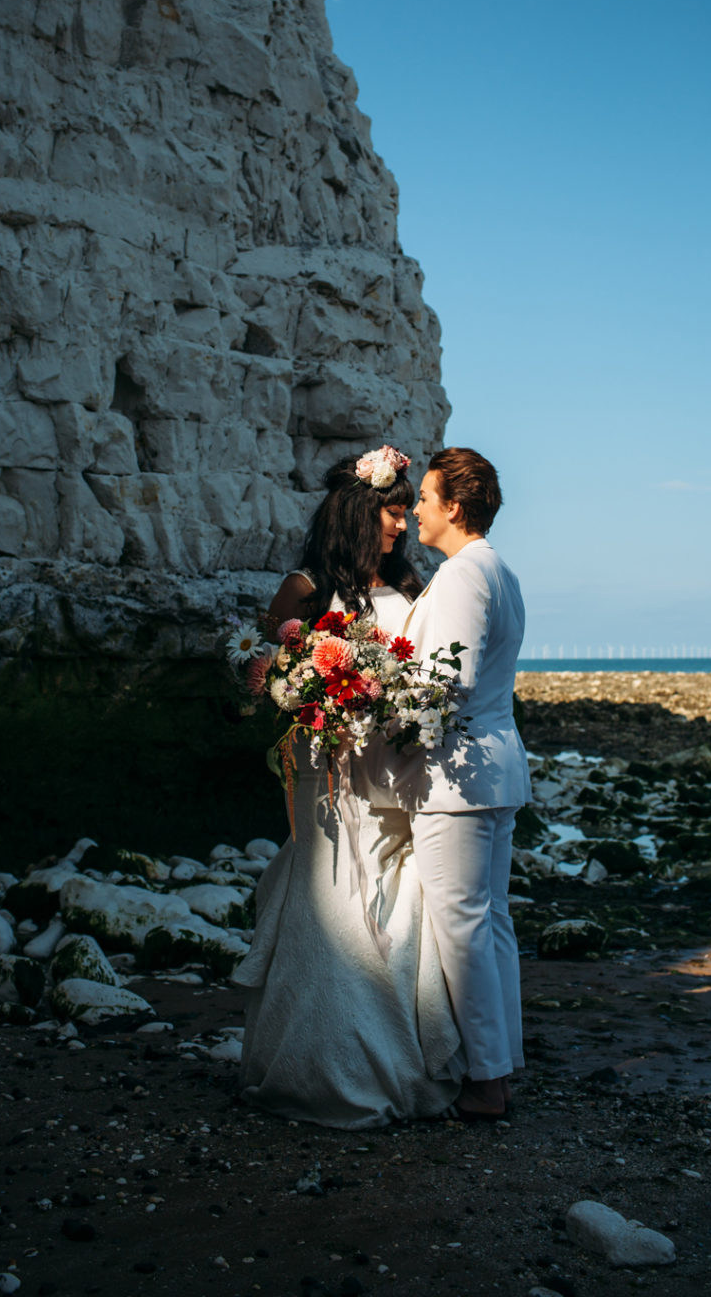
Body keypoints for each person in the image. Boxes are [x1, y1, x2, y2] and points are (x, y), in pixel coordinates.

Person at [232, 449, 464, 1129]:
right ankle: (315, 1068)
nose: (402, 526)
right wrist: (298, 691)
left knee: (391, 900)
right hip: (321, 769)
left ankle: (389, 1063)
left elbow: (422, 681)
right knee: (327, 895)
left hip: (387, 772)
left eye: (403, 512)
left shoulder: (412, 594)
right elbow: (258, 673)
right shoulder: (303, 590)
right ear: (360, 515)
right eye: (393, 513)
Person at [395, 447, 531, 1121]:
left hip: (461, 778)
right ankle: (502, 1061)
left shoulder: (459, 578)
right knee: (491, 922)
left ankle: (486, 1079)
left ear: (454, 505)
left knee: (463, 927)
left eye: (424, 497)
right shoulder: (499, 572)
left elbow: (446, 682)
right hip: (495, 766)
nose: (414, 509)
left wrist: (377, 703)